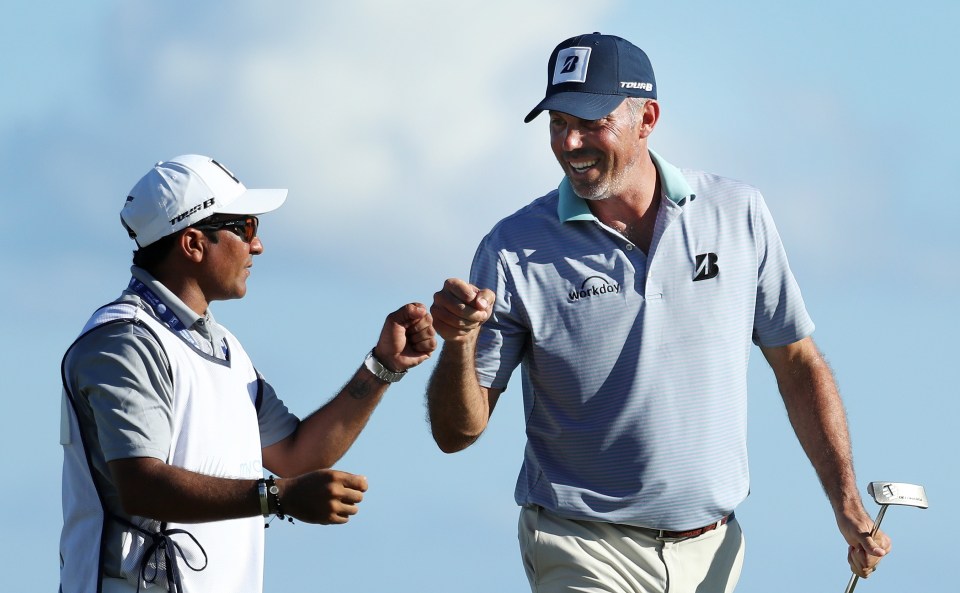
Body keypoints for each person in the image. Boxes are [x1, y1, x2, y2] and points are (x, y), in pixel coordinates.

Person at [426, 33, 891, 593]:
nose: (570, 141)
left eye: (591, 121)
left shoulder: (738, 213)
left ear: (646, 118)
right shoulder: (512, 248)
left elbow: (797, 362)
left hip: (714, 550)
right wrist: (458, 343)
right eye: (556, 122)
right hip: (581, 545)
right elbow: (458, 432)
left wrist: (846, 502)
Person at [60, 154, 436, 593]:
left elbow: (298, 456)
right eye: (246, 228)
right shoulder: (125, 340)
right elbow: (141, 484)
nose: (257, 246)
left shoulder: (224, 348)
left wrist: (382, 367)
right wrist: (276, 497)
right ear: (193, 244)